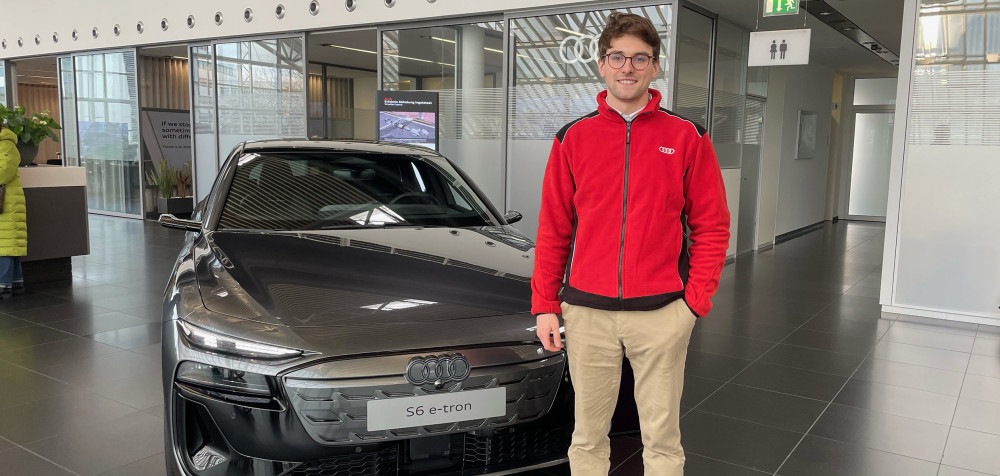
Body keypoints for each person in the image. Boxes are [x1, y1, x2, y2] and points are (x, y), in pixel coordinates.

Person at [531, 12, 730, 476]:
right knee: (587, 437)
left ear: (655, 66)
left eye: (640, 58)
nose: (628, 67)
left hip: (662, 314)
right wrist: (545, 303)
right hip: (587, 315)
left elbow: (712, 226)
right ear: (601, 64)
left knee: (662, 440)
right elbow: (553, 229)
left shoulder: (687, 137)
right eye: (617, 56)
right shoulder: (572, 139)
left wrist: (694, 303)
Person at [0, 127, 27, 299]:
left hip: (8, 202)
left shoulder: (6, 144)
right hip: (7, 200)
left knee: (6, 245)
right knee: (10, 244)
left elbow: (4, 171)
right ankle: (16, 282)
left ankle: (3, 284)